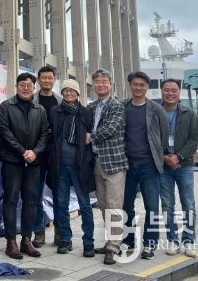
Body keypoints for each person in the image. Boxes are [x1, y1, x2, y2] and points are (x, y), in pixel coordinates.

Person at [0, 73, 49, 259]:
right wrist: (22, 151)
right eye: (22, 85)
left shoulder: (39, 109)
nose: (26, 88)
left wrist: (35, 152)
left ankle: (26, 240)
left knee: (31, 201)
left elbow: (45, 134)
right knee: (11, 200)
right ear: (16, 86)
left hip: (33, 162)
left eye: (29, 85)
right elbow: (4, 131)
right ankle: (11, 242)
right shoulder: (6, 106)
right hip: (12, 161)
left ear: (34, 88)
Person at [121, 71, 169, 260]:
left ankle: (150, 244)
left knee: (152, 207)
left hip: (149, 166)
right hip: (127, 165)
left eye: (142, 85)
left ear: (147, 87)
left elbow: (164, 135)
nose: (138, 88)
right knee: (126, 206)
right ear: (130, 85)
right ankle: (128, 240)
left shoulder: (156, 109)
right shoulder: (123, 107)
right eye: (135, 84)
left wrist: (158, 155)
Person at [48, 79, 95, 257]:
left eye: (72, 91)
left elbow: (91, 138)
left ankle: (88, 242)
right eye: (65, 90)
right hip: (60, 165)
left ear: (78, 93)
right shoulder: (55, 111)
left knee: (85, 204)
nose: (68, 93)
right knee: (61, 204)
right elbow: (50, 135)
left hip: (80, 166)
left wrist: (87, 160)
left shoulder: (86, 112)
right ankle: (65, 239)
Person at [88, 68, 127, 265]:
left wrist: (90, 137)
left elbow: (110, 129)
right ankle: (110, 241)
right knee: (103, 205)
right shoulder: (92, 106)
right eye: (97, 82)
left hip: (114, 162)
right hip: (97, 161)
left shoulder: (117, 106)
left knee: (114, 205)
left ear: (110, 85)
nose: (100, 85)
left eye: (104, 82)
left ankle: (114, 246)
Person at [160, 79, 198, 258]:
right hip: (163, 166)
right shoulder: (154, 112)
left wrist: (179, 156)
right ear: (162, 91)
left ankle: (189, 240)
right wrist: (165, 157)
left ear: (179, 92)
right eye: (166, 90)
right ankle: (173, 240)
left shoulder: (189, 114)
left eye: (174, 90)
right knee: (167, 204)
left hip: (184, 165)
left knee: (188, 203)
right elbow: (150, 138)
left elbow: (194, 139)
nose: (170, 93)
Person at [31, 66, 61, 248]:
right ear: (38, 79)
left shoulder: (60, 100)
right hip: (37, 154)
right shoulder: (32, 100)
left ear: (54, 79)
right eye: (44, 78)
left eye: (50, 78)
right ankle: (39, 231)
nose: (47, 81)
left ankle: (60, 232)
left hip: (56, 155)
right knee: (36, 194)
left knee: (59, 194)